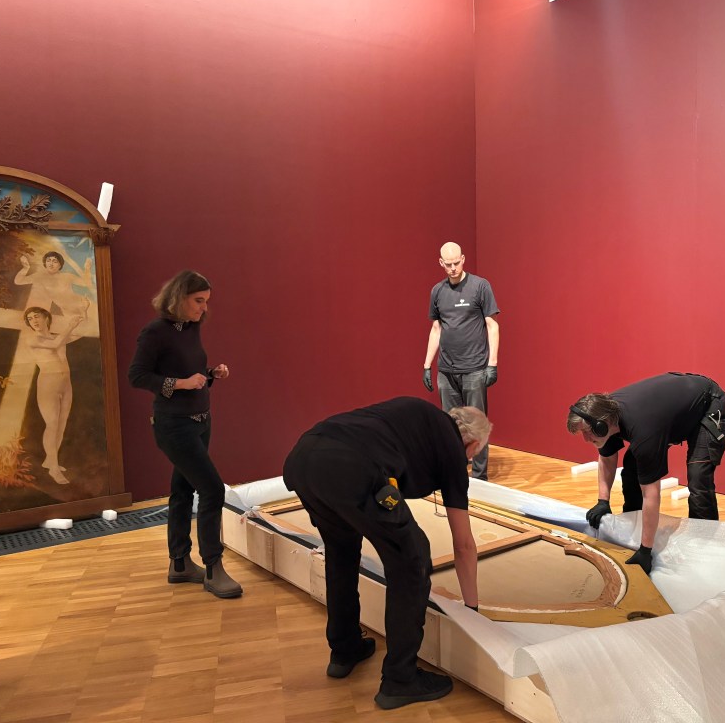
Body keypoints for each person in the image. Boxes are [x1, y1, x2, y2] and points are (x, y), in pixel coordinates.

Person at [283, 397, 488, 710]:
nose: (470, 459)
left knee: (341, 551)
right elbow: (464, 544)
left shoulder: (420, 416)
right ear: (471, 444)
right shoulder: (451, 449)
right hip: (351, 466)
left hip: (303, 458)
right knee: (413, 560)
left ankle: (345, 649)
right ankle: (400, 679)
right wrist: (472, 608)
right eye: (474, 454)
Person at [128, 270, 241, 599]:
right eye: (198, 301)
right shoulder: (155, 331)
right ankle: (213, 567)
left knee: (182, 491)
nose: (204, 308)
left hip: (201, 422)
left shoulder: (191, 328)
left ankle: (179, 564)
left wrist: (210, 374)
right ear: (179, 298)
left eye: (206, 301)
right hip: (174, 426)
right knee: (212, 490)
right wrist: (181, 383)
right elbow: (137, 376)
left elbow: (187, 371)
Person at [567, 373, 725, 574]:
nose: (586, 439)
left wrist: (646, 550)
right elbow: (607, 457)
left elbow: (651, 493)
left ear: (602, 425)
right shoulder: (605, 414)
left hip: (708, 404)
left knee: (698, 477)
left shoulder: (641, 428)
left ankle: (703, 546)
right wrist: (603, 501)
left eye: (587, 432)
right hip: (670, 411)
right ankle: (633, 527)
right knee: (632, 469)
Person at [422, 241, 499, 480]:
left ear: (463, 259)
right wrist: (427, 365)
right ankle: (455, 471)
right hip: (446, 370)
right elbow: (436, 329)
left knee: (476, 424)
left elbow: (492, 325)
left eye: (456, 263)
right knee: (450, 425)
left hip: (475, 368)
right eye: (448, 264)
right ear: (441, 263)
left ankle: (480, 476)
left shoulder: (480, 286)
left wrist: (492, 364)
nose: (453, 268)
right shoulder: (437, 291)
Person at [24, 306, 86, 486]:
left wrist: (83, 313)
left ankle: (50, 460)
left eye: (36, 316)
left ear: (46, 318)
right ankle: (53, 468)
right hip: (48, 384)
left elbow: (80, 332)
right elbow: (55, 344)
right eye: (30, 319)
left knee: (62, 422)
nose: (34, 321)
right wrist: (70, 326)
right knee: (52, 424)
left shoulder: (57, 336)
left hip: (66, 383)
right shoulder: (32, 338)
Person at [15, 251, 94, 317]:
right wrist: (26, 268)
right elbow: (19, 281)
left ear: (60, 265)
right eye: (48, 260)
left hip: (81, 305)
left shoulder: (67, 276)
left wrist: (87, 269)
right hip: (67, 312)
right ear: (45, 263)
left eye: (55, 261)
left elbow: (86, 283)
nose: (51, 264)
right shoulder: (39, 277)